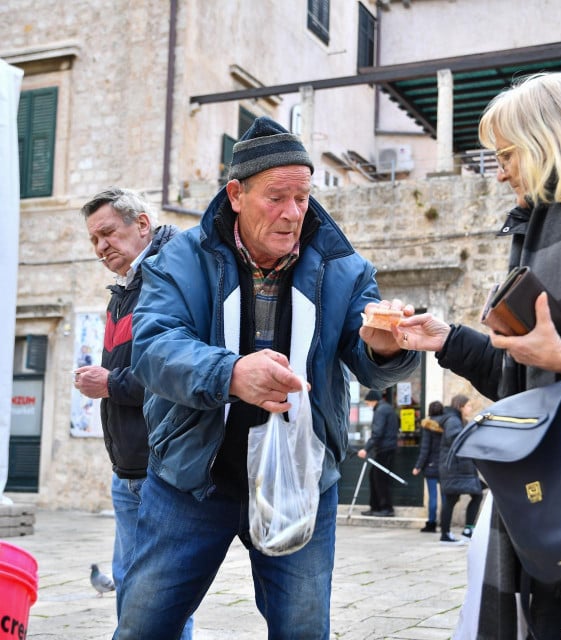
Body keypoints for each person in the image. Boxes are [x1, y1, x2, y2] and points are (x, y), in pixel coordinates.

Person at [115, 116, 419, 640]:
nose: (293, 213)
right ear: (235, 194)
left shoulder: (345, 269)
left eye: (302, 197)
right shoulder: (179, 260)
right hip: (193, 478)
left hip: (298, 480)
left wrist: (387, 346)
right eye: (276, 197)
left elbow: (367, 359)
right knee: (145, 626)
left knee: (302, 630)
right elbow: (153, 348)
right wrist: (229, 373)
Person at [389, 72, 561, 638]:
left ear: (547, 139)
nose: (499, 171)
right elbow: (522, 377)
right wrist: (446, 340)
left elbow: (557, 361)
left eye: (506, 154)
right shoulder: (542, 226)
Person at [74, 188, 194, 640]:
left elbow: (182, 370)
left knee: (161, 594)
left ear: (142, 225)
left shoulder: (174, 277)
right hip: (127, 469)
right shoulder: (121, 292)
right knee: (131, 584)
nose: (102, 246)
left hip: (162, 467)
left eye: (108, 232)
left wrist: (110, 383)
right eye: (94, 240)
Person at [437, 394, 483, 545]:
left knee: (457, 498)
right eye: (468, 405)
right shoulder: (453, 420)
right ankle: (459, 532)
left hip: (458, 468)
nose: (470, 408)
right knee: (472, 496)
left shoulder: (457, 420)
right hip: (455, 468)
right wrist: (473, 430)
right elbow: (454, 438)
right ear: (460, 406)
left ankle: (457, 532)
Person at [357, 389, 400, 517]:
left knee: (380, 480)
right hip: (385, 448)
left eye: (367, 403)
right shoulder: (386, 408)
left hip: (384, 450)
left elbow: (378, 432)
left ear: (372, 401)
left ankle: (386, 508)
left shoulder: (381, 410)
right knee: (374, 477)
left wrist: (366, 449)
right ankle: (375, 507)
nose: (367, 406)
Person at [412, 400, 444, 532]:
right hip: (444, 465)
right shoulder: (447, 424)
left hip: (431, 466)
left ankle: (431, 523)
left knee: (433, 497)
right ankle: (445, 523)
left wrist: (418, 466)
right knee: (446, 497)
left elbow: (425, 449)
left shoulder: (428, 426)